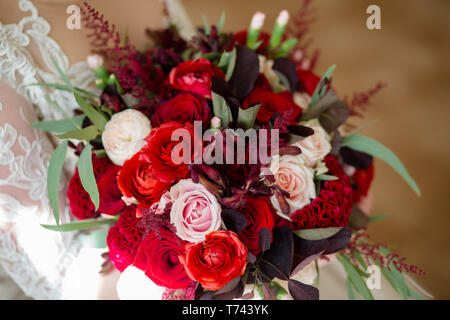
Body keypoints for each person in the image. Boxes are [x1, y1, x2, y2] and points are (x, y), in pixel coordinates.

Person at [0, 0, 430, 300]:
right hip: (139, 280)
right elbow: (61, 276)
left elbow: (206, 79)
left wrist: (320, 195)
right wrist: (230, 281)